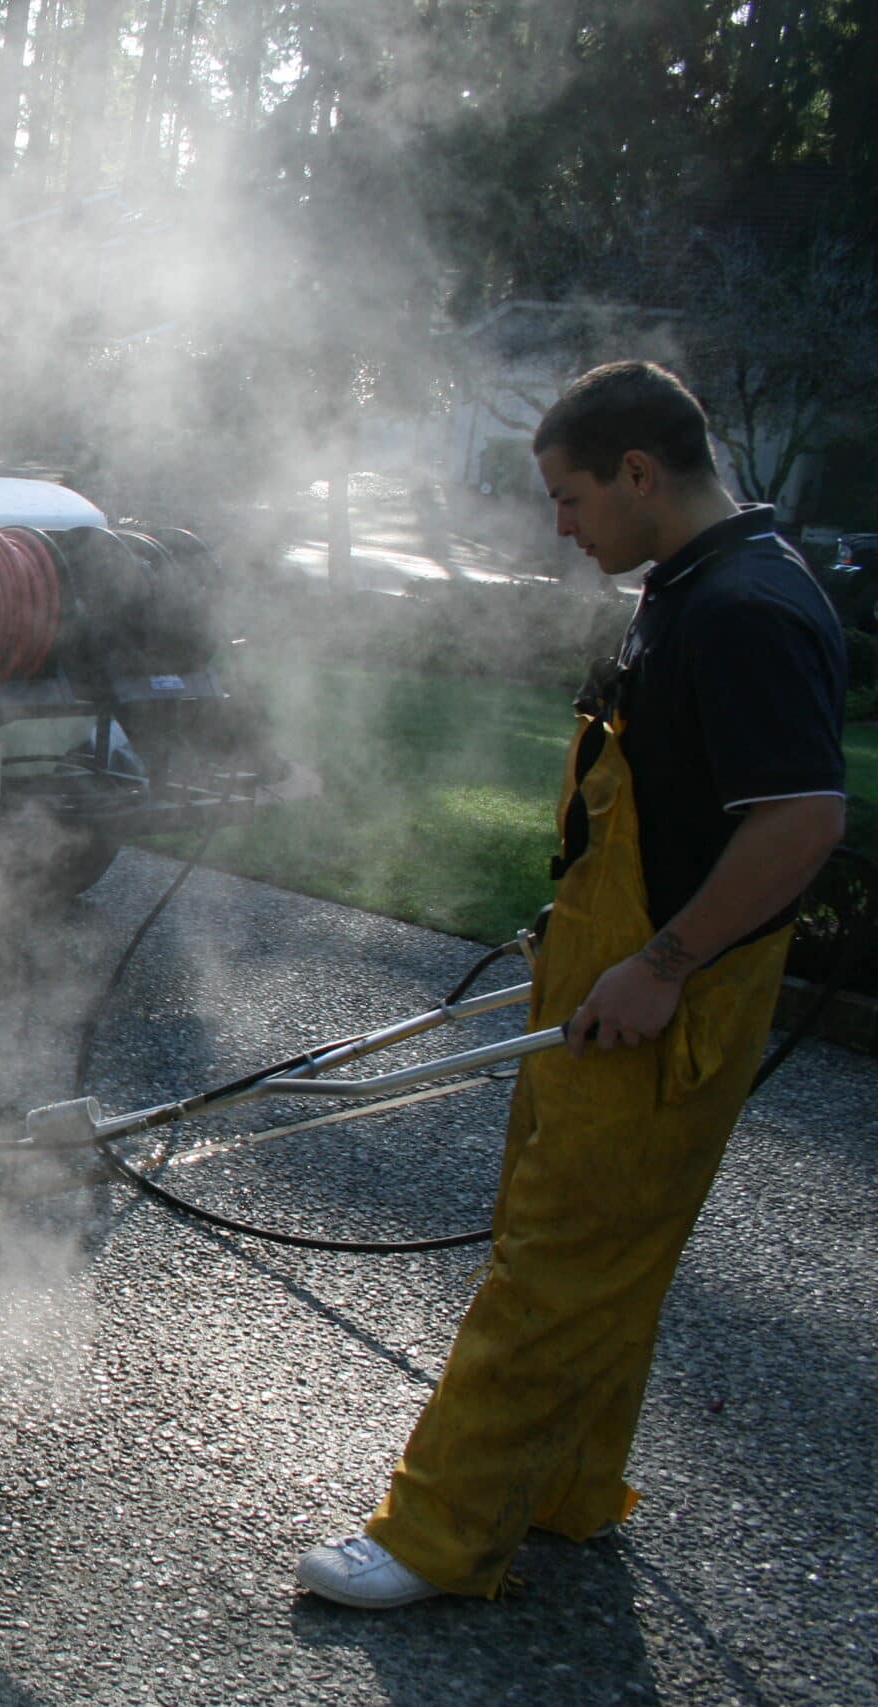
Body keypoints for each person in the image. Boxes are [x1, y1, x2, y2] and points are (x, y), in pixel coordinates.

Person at [296, 360, 848, 1608]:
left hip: (663, 1013)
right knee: (605, 1257)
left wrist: (659, 965)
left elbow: (802, 821)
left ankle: (432, 1539)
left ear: (639, 474)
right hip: (604, 984)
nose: (558, 525)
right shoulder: (693, 587)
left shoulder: (744, 610)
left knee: (553, 1267)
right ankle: (565, 1487)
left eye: (568, 498)